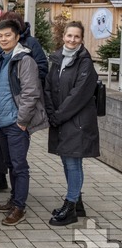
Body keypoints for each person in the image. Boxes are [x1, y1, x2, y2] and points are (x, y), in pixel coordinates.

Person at [0, 19, 48, 226]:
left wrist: (22, 121)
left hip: (15, 123)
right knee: (10, 163)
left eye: (7, 35)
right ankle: (13, 200)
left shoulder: (24, 60)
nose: (3, 39)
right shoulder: (1, 58)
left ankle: (19, 207)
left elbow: (31, 92)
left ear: (17, 37)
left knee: (19, 166)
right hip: (0, 122)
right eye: (0, 36)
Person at [44, 21, 98, 226]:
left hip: (77, 121)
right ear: (63, 37)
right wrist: (52, 112)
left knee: (73, 162)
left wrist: (58, 115)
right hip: (61, 118)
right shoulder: (57, 59)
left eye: (76, 37)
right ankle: (77, 201)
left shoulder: (85, 62)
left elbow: (79, 94)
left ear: (81, 39)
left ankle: (71, 207)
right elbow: (48, 86)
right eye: (69, 36)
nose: (72, 40)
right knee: (67, 161)